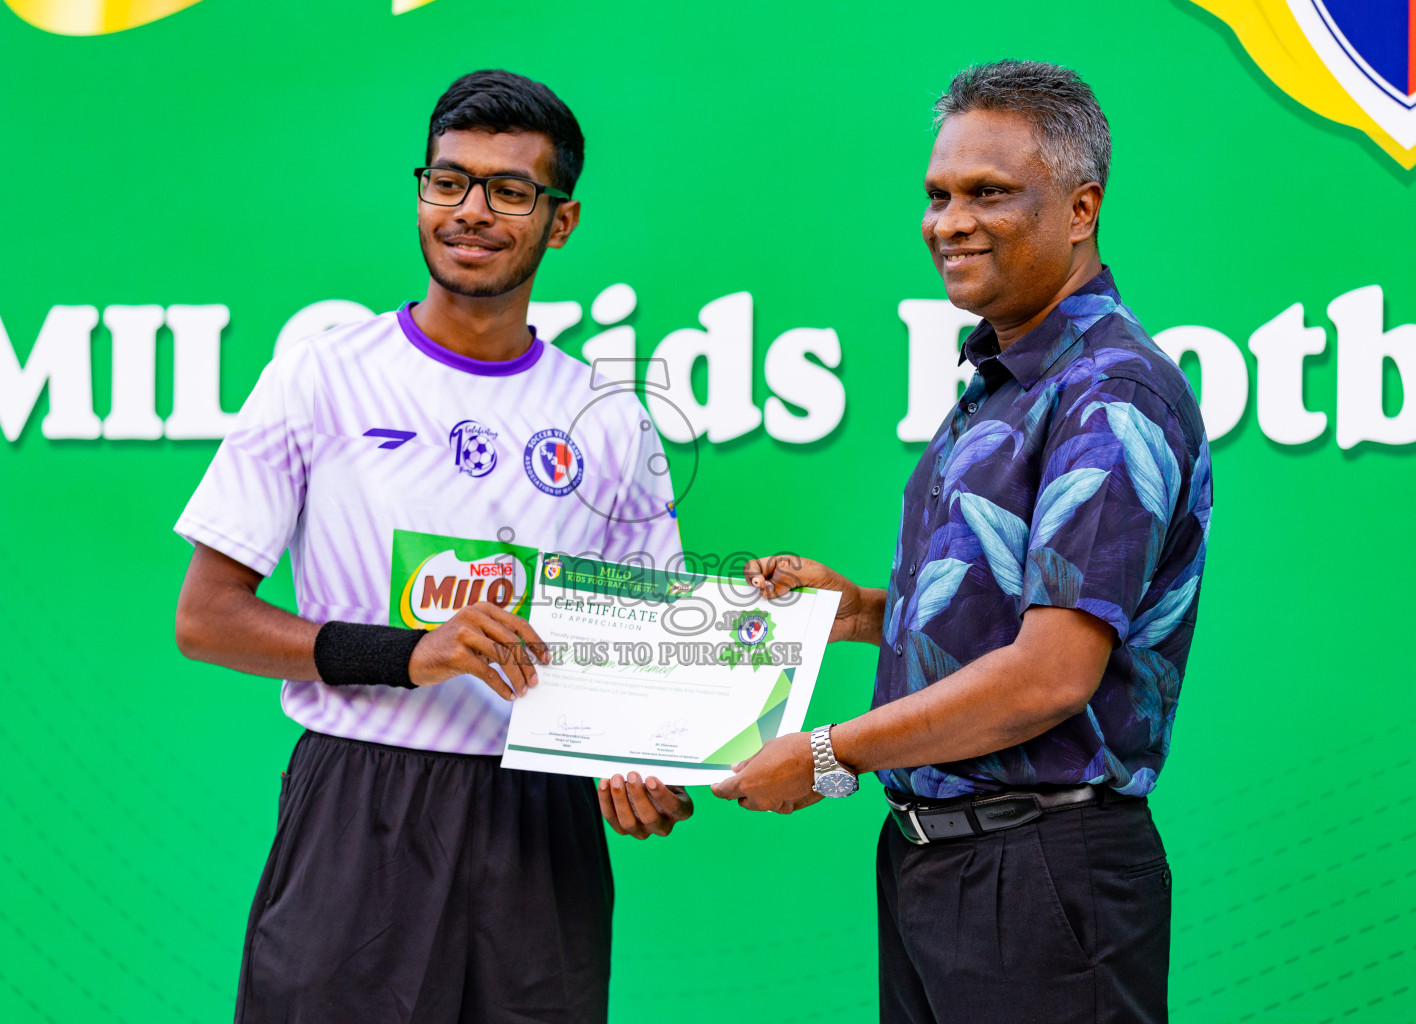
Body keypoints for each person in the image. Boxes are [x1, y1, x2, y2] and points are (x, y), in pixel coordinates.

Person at [173, 68, 693, 1024]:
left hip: (542, 824)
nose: (471, 211)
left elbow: (651, 671)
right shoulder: (322, 374)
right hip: (358, 803)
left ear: (560, 221)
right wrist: (405, 654)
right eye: (448, 181)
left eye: (509, 190)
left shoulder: (610, 420)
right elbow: (207, 621)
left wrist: (650, 766)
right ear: (421, 192)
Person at [712, 60, 1211, 1023]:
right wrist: (856, 611)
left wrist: (829, 752)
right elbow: (1004, 616)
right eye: (939, 195)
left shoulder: (1108, 392)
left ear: (1080, 208)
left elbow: (1050, 673)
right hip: (939, 863)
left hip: (1039, 877)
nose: (950, 222)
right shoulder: (1004, 382)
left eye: (989, 193)